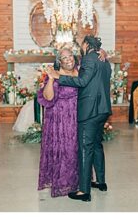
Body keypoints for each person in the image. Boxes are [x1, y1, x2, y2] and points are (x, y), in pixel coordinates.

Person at [44, 35, 113, 202]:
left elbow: (82, 81)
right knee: (97, 145)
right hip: (103, 109)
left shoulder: (89, 59)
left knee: (85, 148)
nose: (80, 49)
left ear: (87, 44)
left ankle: (84, 191)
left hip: (89, 111)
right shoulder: (104, 60)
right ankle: (101, 181)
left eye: (82, 45)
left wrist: (58, 76)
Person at [36, 49, 80, 198]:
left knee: (75, 150)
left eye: (70, 56)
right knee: (63, 150)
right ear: (59, 61)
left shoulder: (79, 72)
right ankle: (62, 183)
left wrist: (103, 53)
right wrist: (51, 78)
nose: (68, 59)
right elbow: (48, 97)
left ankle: (76, 181)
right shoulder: (55, 74)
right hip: (59, 120)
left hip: (77, 117)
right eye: (64, 58)